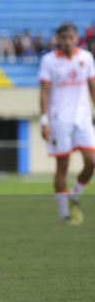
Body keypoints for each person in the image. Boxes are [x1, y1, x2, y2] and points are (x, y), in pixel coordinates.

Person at [39, 22, 94, 226]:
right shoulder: (49, 61)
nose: (67, 41)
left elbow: (92, 87)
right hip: (59, 119)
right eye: (63, 38)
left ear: (76, 38)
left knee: (92, 161)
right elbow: (44, 92)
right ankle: (63, 212)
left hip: (83, 119)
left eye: (71, 37)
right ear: (58, 40)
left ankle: (74, 194)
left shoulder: (86, 58)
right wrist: (44, 121)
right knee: (62, 165)